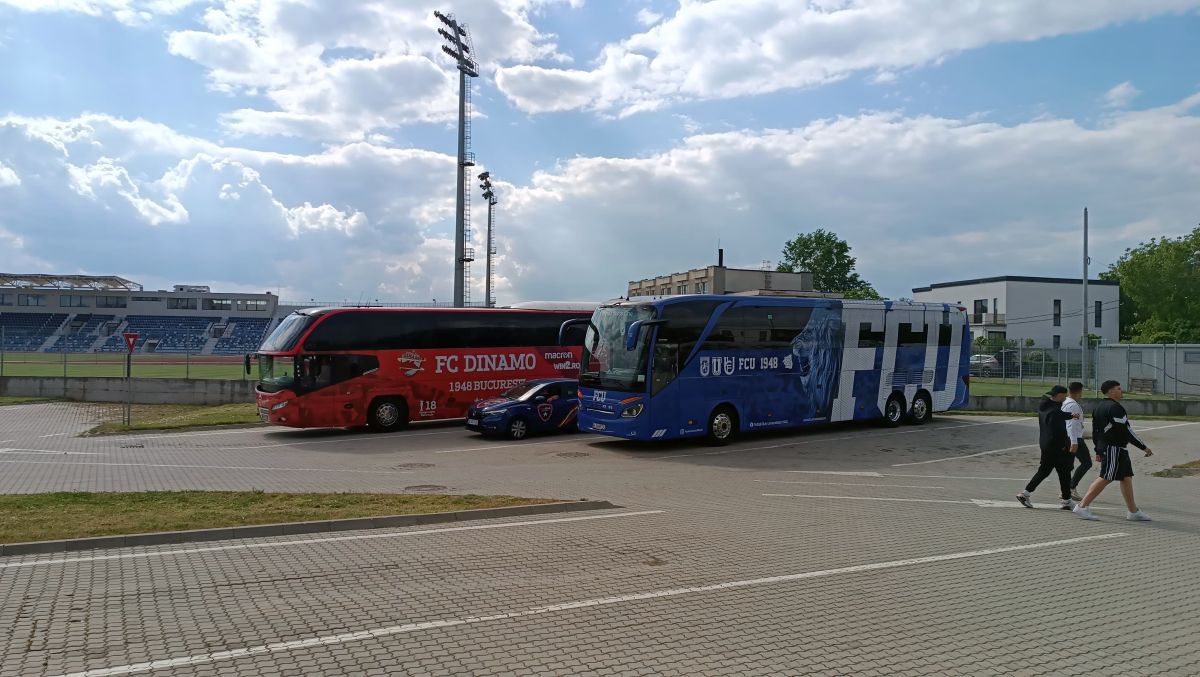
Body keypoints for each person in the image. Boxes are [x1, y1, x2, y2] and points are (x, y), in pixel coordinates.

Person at [1073, 380, 1153, 521]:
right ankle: (1082, 507)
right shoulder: (1115, 408)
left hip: (1115, 448)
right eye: (1118, 388)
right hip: (1113, 448)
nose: (1121, 391)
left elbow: (1096, 432)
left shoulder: (1099, 407)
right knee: (1106, 476)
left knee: (1126, 477)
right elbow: (1126, 431)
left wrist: (1098, 449)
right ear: (1110, 392)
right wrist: (1144, 447)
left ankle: (1133, 512)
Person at [1016, 385, 1079, 510]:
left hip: (1046, 445)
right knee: (1064, 472)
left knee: (1044, 471)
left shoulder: (1045, 407)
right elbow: (1058, 429)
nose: (1066, 397)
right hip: (1057, 446)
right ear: (1060, 395)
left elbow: (1059, 414)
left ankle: (1025, 493)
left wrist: (1071, 415)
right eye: (1064, 395)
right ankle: (1066, 500)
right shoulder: (1055, 411)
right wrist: (1063, 446)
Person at [1062, 381, 1096, 501]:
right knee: (1086, 463)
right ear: (1079, 391)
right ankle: (1070, 488)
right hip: (1075, 438)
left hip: (1070, 437)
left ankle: (1067, 489)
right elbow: (1072, 423)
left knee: (1068, 464)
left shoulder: (1066, 402)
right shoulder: (1073, 405)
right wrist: (1074, 441)